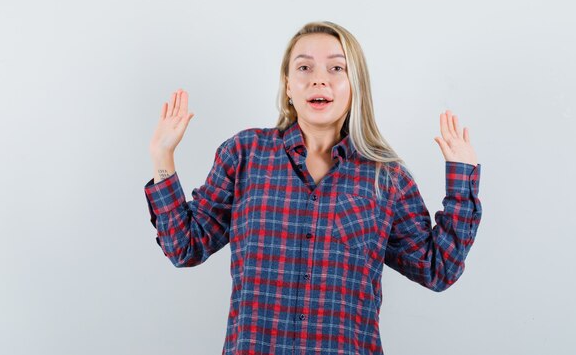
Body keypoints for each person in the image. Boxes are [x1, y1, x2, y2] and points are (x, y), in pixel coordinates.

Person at [144, 21, 482, 355]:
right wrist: (163, 156)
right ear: (288, 85)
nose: (319, 78)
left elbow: (438, 269)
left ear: (355, 85)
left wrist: (462, 178)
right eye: (304, 67)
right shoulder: (244, 153)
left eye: (336, 67)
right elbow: (184, 247)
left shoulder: (386, 178)